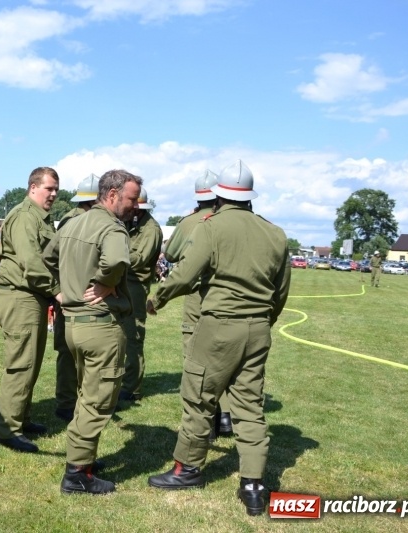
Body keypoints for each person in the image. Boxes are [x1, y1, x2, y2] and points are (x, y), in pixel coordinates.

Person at [145, 160, 291, 516]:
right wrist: (263, 320)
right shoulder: (276, 233)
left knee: (198, 397)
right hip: (257, 328)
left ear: (218, 196)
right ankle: (254, 484)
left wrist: (158, 298)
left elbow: (184, 274)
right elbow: (281, 291)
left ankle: (187, 469)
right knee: (250, 406)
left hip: (218, 326)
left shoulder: (211, 228)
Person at [45, 169, 142, 495]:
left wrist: (59, 290)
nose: (136, 206)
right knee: (97, 402)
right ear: (112, 195)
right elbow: (115, 260)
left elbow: (47, 257)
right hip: (100, 327)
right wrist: (107, 282)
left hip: (73, 324)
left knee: (86, 396)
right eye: (131, 199)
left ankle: (82, 461)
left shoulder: (73, 222)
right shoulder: (112, 228)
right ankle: (76, 476)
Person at [0, 167, 60, 453]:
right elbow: (32, 262)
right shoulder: (24, 216)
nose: (54, 194)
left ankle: (21, 416)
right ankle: (8, 429)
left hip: (32, 295)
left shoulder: (39, 218)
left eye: (56, 189)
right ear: (33, 187)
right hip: (20, 294)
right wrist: (57, 290)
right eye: (49, 189)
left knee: (31, 360)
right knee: (21, 362)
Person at [164, 170, 232, 438]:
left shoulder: (189, 222)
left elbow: (169, 254)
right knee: (224, 356)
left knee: (194, 357)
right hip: (225, 295)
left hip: (196, 295)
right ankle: (226, 415)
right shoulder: (230, 221)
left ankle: (204, 416)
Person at [52, 173, 99, 422]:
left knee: (67, 352)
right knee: (87, 354)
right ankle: (77, 403)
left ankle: (66, 402)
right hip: (86, 296)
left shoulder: (67, 221)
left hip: (67, 294)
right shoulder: (93, 222)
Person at [118, 188, 163, 403]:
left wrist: (111, 253)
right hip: (121, 280)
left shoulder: (151, 229)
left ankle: (131, 387)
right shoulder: (127, 223)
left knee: (133, 335)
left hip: (135, 285)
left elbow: (139, 259)